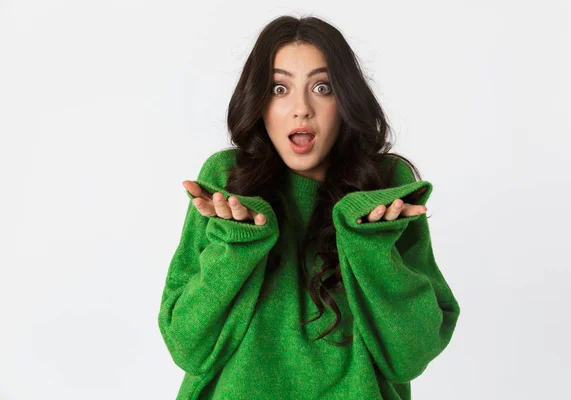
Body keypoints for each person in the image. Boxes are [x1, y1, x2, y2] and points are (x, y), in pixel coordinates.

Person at [157, 14, 460, 400]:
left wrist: (370, 247)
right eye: (279, 89)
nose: (301, 108)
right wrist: (238, 245)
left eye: (322, 87)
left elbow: (410, 357)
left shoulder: (385, 184)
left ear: (345, 99)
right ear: (259, 102)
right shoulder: (228, 180)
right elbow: (187, 348)